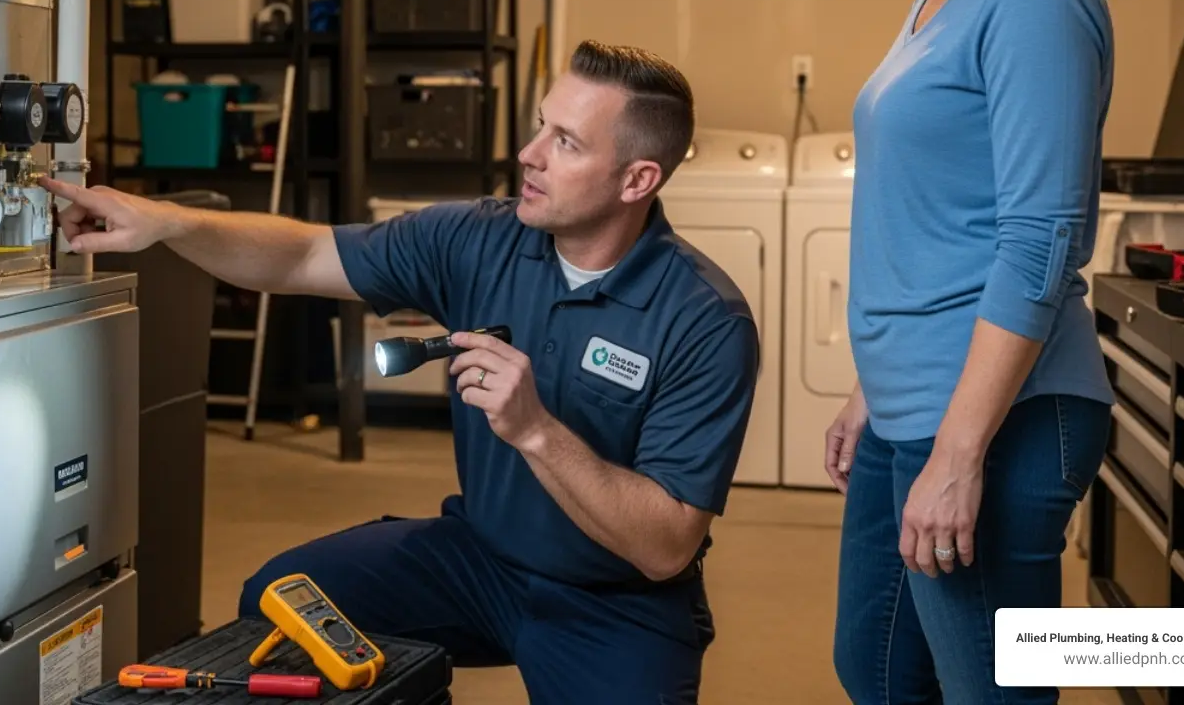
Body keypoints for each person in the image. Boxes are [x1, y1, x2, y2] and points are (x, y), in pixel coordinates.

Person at [42, 40, 759, 704]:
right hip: (481, 558)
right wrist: (166, 222)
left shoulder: (703, 320)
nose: (527, 154)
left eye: (565, 143)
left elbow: (665, 547)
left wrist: (535, 431)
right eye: (541, 126)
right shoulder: (481, 238)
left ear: (638, 178)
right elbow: (301, 255)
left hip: (615, 598)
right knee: (281, 600)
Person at [823, 0, 1116, 705]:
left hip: (1001, 415)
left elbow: (1038, 239)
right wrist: (875, 383)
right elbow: (937, 209)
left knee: (987, 692)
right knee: (876, 665)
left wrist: (957, 452)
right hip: (916, 401)